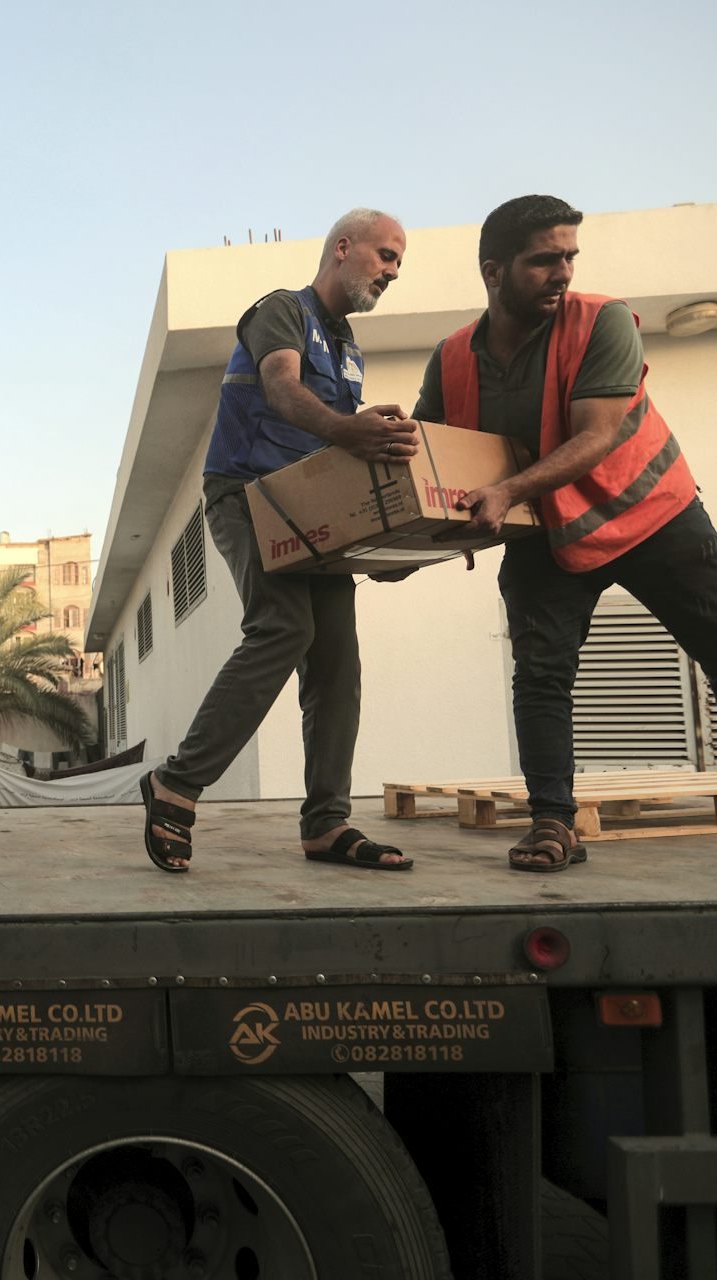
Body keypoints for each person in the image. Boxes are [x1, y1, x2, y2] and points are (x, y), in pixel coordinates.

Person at [414, 194, 717, 871]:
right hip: (548, 534)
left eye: (569, 257)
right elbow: (432, 457)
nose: (562, 272)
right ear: (493, 272)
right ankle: (554, 823)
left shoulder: (604, 321)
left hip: (655, 518)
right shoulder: (450, 360)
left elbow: (597, 434)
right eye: (543, 260)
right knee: (541, 676)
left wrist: (507, 491)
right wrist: (393, 541)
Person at [139, 208, 420, 874]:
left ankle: (326, 823)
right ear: (342, 249)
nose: (393, 272)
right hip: (246, 493)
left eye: (399, 264)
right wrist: (350, 427)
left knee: (336, 661)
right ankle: (175, 783)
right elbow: (283, 391)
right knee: (283, 627)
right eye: (385, 255)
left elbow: (335, 457)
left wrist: (382, 537)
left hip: (307, 509)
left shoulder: (349, 346)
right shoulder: (281, 311)